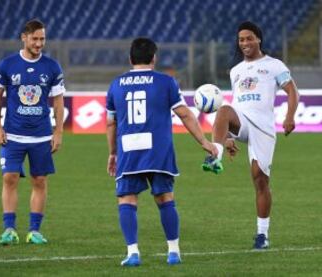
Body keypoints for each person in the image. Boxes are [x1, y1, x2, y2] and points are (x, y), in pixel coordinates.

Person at [106, 37, 217, 266]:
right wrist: (204, 141)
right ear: (154, 58)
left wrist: (112, 153)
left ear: (130, 58)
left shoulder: (116, 85)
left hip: (128, 150)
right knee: (165, 198)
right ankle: (174, 251)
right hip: (158, 151)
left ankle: (133, 253)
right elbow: (185, 114)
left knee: (127, 199)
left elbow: (110, 123)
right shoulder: (166, 82)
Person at [202, 21, 299, 249]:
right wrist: (228, 138)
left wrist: (290, 116)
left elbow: (292, 90)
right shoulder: (236, 71)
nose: (244, 43)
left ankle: (262, 235)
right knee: (224, 109)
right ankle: (215, 156)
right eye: (241, 39)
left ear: (258, 39)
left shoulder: (274, 65)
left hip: (263, 127)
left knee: (260, 179)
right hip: (243, 121)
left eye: (249, 38)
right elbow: (235, 104)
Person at [0, 19, 65, 245]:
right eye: (35, 39)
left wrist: (58, 131)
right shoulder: (7, 65)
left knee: (39, 180)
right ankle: (9, 229)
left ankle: (34, 231)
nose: (39, 43)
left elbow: (58, 101)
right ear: (24, 37)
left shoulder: (52, 67)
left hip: (41, 135)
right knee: (9, 177)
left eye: (42, 39)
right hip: (12, 134)